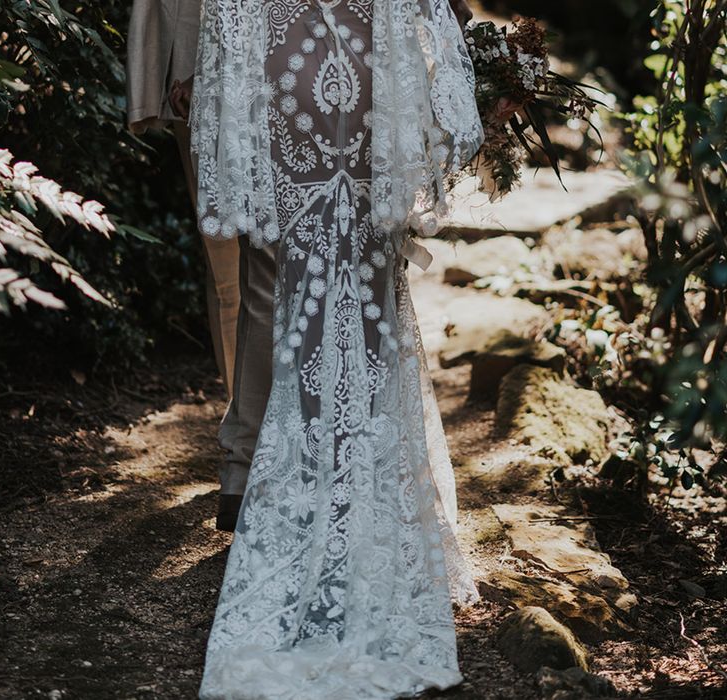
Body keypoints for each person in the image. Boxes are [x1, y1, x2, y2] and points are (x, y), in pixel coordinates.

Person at [191, 0, 486, 695]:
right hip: (358, 70)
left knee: (310, 302)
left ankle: (323, 518)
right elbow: (454, 109)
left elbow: (226, 48)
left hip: (286, 70)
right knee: (363, 297)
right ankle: (356, 519)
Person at [126, 0, 275, 532]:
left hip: (323, 60)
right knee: (230, 271)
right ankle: (246, 435)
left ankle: (263, 443)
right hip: (202, 73)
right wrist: (174, 69)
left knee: (286, 263)